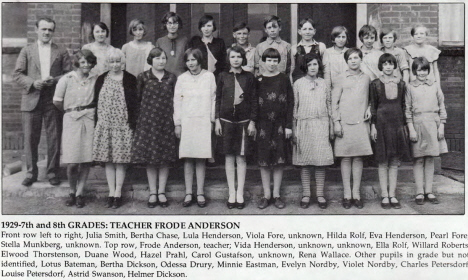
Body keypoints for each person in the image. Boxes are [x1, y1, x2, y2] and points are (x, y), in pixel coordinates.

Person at [13, 17, 72, 186]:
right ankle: (31, 173)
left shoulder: (61, 50)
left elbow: (68, 74)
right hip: (32, 97)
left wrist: (54, 80)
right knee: (31, 137)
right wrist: (33, 82)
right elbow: (17, 74)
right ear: (36, 30)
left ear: (53, 31)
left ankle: (52, 172)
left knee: (54, 137)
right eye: (43, 29)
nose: (47, 32)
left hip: (52, 98)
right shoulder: (27, 50)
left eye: (50, 30)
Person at [131, 48, 178, 208]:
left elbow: (177, 100)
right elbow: (136, 101)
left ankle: (162, 192)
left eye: (163, 58)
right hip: (148, 123)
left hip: (166, 123)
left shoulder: (171, 77)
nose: (161, 61)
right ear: (151, 60)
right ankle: (152, 192)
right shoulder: (143, 77)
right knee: (150, 159)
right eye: (157, 58)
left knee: (164, 158)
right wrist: (138, 122)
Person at [93, 49, 138, 209]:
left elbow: (134, 104)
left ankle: (118, 192)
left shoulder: (130, 79)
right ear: (107, 63)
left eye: (117, 61)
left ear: (122, 62)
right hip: (105, 125)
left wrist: (132, 123)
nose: (115, 64)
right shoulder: (101, 79)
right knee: (108, 161)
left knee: (120, 161)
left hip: (122, 125)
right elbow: (96, 103)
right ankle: (111, 192)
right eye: (111, 61)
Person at [53, 50, 98, 208]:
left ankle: (80, 193)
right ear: (77, 63)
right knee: (72, 161)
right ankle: (71, 191)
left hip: (89, 119)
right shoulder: (67, 79)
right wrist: (71, 112)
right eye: (83, 62)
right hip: (71, 119)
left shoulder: (95, 78)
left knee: (86, 159)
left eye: (89, 62)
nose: (86, 65)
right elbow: (57, 101)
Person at [215, 46, 257, 209]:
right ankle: (231, 192)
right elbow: (217, 99)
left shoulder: (249, 77)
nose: (236, 59)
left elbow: (253, 100)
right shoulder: (222, 76)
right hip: (226, 121)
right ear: (228, 59)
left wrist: (252, 121)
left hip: (243, 122)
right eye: (233, 57)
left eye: (239, 56)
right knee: (229, 157)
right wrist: (217, 120)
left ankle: (240, 192)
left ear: (243, 58)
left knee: (241, 157)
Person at [174, 48, 216, 208]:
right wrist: (177, 123)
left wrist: (212, 120)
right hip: (187, 122)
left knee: (200, 158)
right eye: (188, 61)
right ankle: (188, 193)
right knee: (188, 158)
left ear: (199, 60)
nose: (191, 63)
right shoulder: (182, 78)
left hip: (203, 121)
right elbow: (177, 101)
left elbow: (213, 99)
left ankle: (200, 192)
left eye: (193, 60)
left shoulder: (209, 76)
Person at [332, 48, 373, 209]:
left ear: (361, 59)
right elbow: (334, 102)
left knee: (358, 157)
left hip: (361, 122)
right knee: (345, 157)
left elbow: (371, 98)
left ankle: (356, 194)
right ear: (346, 61)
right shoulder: (340, 78)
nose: (354, 61)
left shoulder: (366, 78)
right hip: (344, 122)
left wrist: (369, 108)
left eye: (356, 58)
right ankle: (346, 194)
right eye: (350, 59)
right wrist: (336, 122)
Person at [370, 53, 412, 209]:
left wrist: (405, 126)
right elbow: (373, 107)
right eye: (385, 64)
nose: (388, 66)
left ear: (395, 66)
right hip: (381, 125)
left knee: (394, 161)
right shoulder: (375, 84)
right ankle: (384, 195)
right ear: (381, 66)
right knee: (383, 161)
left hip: (397, 125)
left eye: (391, 64)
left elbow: (403, 105)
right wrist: (373, 126)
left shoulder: (401, 84)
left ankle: (392, 194)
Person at [293, 53, 334, 209]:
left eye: (315, 64)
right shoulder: (298, 84)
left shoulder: (324, 83)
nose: (312, 67)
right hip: (304, 124)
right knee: (305, 162)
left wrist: (330, 125)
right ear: (305, 66)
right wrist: (295, 129)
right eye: (309, 64)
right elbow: (294, 107)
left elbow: (329, 105)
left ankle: (320, 194)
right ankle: (306, 194)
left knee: (320, 162)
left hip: (321, 124)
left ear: (319, 66)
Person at [405, 57, 448, 205]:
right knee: (418, 158)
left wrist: (441, 125)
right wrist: (411, 129)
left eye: (424, 70)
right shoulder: (410, 87)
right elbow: (407, 110)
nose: (422, 73)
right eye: (419, 70)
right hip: (418, 124)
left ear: (428, 71)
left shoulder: (435, 85)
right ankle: (419, 192)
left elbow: (442, 106)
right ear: (415, 71)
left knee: (430, 158)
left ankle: (429, 191)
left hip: (433, 124)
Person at [256, 48, 293, 210]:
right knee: (264, 161)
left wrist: (288, 126)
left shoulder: (284, 79)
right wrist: (254, 124)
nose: (271, 63)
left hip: (279, 125)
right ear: (263, 62)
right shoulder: (258, 80)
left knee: (279, 161)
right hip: (262, 125)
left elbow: (290, 103)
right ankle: (266, 195)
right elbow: (253, 104)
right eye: (268, 60)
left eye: (274, 60)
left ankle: (277, 194)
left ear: (279, 62)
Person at [290, 18, 326, 83]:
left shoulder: (321, 46)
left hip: (317, 83)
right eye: (304, 29)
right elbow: (292, 69)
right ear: (299, 31)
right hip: (300, 83)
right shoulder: (294, 48)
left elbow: (325, 68)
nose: (307, 32)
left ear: (314, 31)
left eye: (310, 29)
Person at [155, 12, 188, 77]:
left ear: (179, 25)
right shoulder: (160, 41)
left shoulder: (184, 40)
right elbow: (157, 62)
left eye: (175, 23)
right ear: (165, 25)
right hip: (164, 78)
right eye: (169, 23)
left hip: (181, 78)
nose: (172, 26)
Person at [323, 26, 349, 91]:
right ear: (333, 38)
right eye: (338, 37)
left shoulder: (349, 52)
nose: (341, 40)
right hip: (333, 88)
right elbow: (327, 74)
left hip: (347, 88)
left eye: (343, 37)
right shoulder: (327, 52)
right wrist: (328, 91)